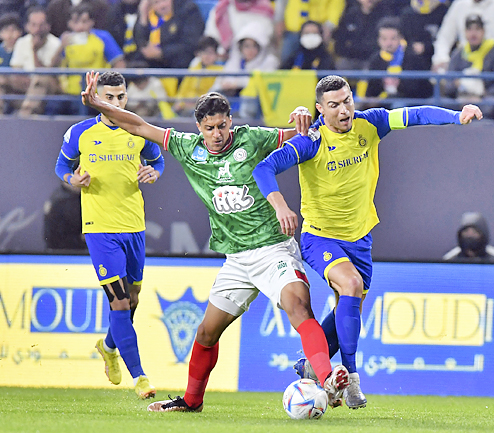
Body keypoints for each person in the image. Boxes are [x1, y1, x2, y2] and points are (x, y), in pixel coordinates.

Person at [80, 71, 351, 412]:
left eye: (222, 126)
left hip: (274, 250)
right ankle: (191, 402)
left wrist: (305, 115)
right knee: (206, 334)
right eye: (209, 128)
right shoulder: (188, 149)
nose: (217, 134)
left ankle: (327, 377)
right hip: (236, 260)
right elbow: (137, 125)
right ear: (199, 128)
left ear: (231, 122)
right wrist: (99, 105)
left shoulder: (252, 139)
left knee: (299, 307)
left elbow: (300, 134)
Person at [252, 75, 483, 409]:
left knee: (351, 300)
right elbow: (263, 168)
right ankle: (352, 379)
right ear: (320, 109)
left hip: (360, 238)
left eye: (347, 100)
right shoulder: (310, 141)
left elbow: (413, 115)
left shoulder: (369, 124)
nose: (344, 109)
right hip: (321, 236)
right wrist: (281, 206)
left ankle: (308, 367)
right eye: (334, 105)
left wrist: (456, 115)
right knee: (351, 284)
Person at [54, 71, 165, 399]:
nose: (116, 103)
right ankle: (141, 377)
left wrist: (153, 173)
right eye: (109, 97)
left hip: (134, 227)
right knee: (118, 302)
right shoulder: (80, 133)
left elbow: (158, 163)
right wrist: (73, 180)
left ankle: (107, 346)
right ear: (98, 98)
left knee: (131, 301)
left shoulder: (138, 129)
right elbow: (61, 167)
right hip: (100, 229)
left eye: (121, 97)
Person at [52, 3, 126, 114]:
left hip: (99, 94)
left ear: (92, 22)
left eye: (84, 21)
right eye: (76, 22)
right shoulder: (65, 40)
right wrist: (61, 47)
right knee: (53, 106)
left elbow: (120, 64)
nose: (80, 27)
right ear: (69, 23)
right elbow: (53, 66)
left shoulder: (103, 37)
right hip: (70, 93)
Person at [0, 7, 62, 116]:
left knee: (40, 79)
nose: (37, 29)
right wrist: (22, 78)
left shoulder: (56, 44)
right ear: (27, 26)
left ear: (48, 26)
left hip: (48, 87)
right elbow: (16, 69)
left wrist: (34, 51)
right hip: (25, 82)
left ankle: (25, 116)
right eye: (34, 25)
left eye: (41, 25)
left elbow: (48, 74)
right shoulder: (22, 42)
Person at [443, 14, 494, 105]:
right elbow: (448, 83)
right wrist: (456, 85)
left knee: (491, 104)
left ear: (483, 31)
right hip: (461, 97)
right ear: (465, 32)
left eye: (477, 29)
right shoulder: (458, 53)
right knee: (442, 104)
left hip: (486, 98)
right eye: (469, 30)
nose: (473, 34)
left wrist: (482, 95)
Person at [364, 16, 433, 103]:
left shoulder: (412, 57)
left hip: (409, 105)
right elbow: (371, 90)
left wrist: (400, 84)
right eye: (384, 39)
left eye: (393, 38)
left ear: (401, 38)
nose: (388, 43)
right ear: (378, 40)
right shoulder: (375, 60)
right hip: (382, 104)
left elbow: (423, 89)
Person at [431, 0, 494, 72]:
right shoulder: (459, 4)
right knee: (441, 73)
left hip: (489, 62)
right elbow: (444, 37)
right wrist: (441, 59)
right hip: (463, 60)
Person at [173, 36, 223, 116]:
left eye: (210, 53)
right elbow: (183, 89)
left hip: (203, 108)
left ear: (216, 55)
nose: (207, 56)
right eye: (204, 52)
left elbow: (212, 93)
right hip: (185, 105)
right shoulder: (194, 68)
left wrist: (196, 104)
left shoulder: (220, 71)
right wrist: (180, 103)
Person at [43, 182, 88, 251]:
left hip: (80, 251)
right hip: (64, 252)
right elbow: (53, 237)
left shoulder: (81, 197)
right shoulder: (60, 201)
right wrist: (81, 238)